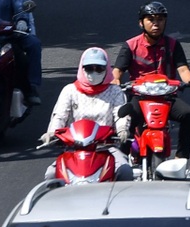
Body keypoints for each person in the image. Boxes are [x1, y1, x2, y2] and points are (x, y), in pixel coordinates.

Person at [112, 2, 190, 161]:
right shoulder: (130, 45)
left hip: (167, 97)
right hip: (139, 97)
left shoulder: (173, 45)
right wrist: (116, 81)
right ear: (141, 23)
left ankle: (181, 158)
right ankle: (121, 161)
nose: (156, 24)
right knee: (127, 120)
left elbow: (183, 70)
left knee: (189, 115)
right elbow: (117, 71)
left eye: (160, 19)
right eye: (151, 19)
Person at [41, 48, 133, 178]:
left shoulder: (115, 91)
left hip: (105, 148)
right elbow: (60, 115)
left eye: (99, 68)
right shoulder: (70, 90)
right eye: (89, 68)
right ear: (82, 68)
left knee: (125, 172)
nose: (94, 72)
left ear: (106, 69)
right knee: (51, 175)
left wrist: (122, 129)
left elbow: (119, 114)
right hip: (74, 150)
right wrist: (51, 132)